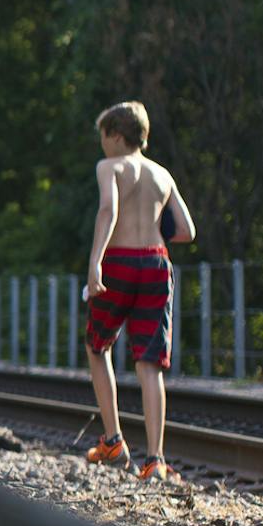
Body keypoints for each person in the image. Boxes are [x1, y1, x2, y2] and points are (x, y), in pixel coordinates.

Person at [80, 101, 194, 483]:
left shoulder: (110, 167)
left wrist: (95, 261)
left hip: (119, 264)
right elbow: (187, 231)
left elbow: (108, 211)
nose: (101, 145)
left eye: (102, 137)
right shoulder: (163, 174)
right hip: (157, 265)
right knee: (150, 363)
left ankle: (113, 440)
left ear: (115, 135)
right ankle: (156, 460)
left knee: (98, 346)